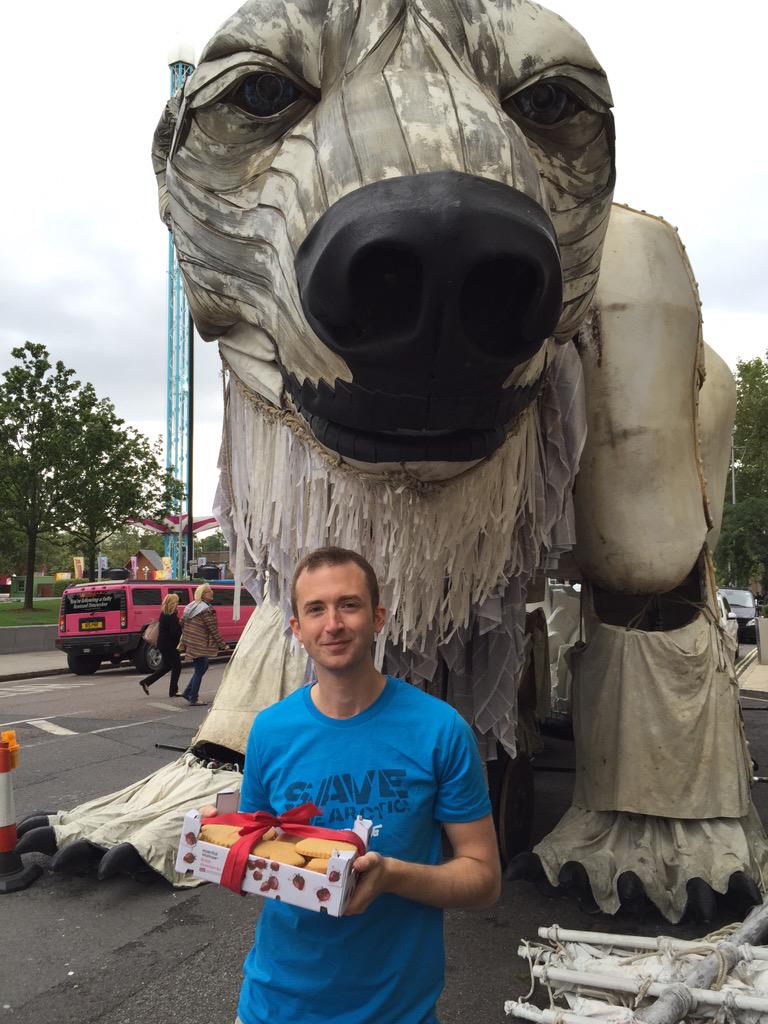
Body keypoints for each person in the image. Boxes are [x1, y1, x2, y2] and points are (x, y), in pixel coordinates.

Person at [234, 546, 500, 1024]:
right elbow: (256, 850)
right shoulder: (269, 732)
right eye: (316, 609)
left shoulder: (439, 729)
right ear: (297, 629)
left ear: (378, 617)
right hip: (274, 1005)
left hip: (396, 1011)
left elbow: (484, 880)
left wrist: (393, 876)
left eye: (348, 605)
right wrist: (216, 847)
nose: (333, 624)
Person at [178, 583, 227, 706]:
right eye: (209, 591)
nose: (212, 593)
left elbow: (181, 622)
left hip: (192, 642)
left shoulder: (191, 606)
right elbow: (212, 628)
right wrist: (222, 644)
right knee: (200, 669)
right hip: (200, 643)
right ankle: (193, 698)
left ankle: (187, 692)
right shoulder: (205, 609)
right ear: (203, 595)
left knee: (202, 667)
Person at [138, 592, 183, 697]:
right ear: (173, 603)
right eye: (177, 602)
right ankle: (173, 690)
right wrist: (181, 629)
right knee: (177, 666)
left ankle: (146, 682)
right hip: (170, 645)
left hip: (163, 644)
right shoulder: (171, 616)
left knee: (167, 666)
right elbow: (174, 633)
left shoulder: (164, 614)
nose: (178, 605)